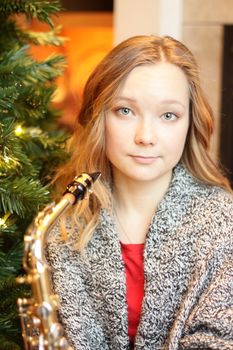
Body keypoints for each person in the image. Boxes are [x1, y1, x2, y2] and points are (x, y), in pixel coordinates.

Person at [46, 35, 233, 350]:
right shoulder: (63, 224)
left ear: (191, 124)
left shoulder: (224, 225)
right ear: (99, 117)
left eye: (168, 115)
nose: (145, 137)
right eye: (125, 111)